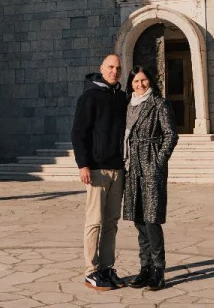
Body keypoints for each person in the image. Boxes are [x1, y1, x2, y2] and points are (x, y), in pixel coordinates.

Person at [71, 53, 127, 291]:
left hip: (117, 168)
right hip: (97, 169)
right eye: (111, 67)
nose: (114, 71)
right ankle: (91, 271)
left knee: (112, 222)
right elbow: (79, 133)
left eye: (118, 68)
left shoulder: (121, 97)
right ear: (102, 69)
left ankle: (106, 267)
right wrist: (84, 164)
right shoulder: (90, 96)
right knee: (94, 221)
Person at [123, 66, 178, 291]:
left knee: (151, 219)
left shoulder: (159, 104)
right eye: (136, 81)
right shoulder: (129, 105)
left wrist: (159, 160)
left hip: (151, 165)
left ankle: (158, 270)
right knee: (138, 218)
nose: (140, 85)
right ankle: (144, 268)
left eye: (144, 80)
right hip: (132, 167)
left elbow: (171, 134)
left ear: (151, 81)